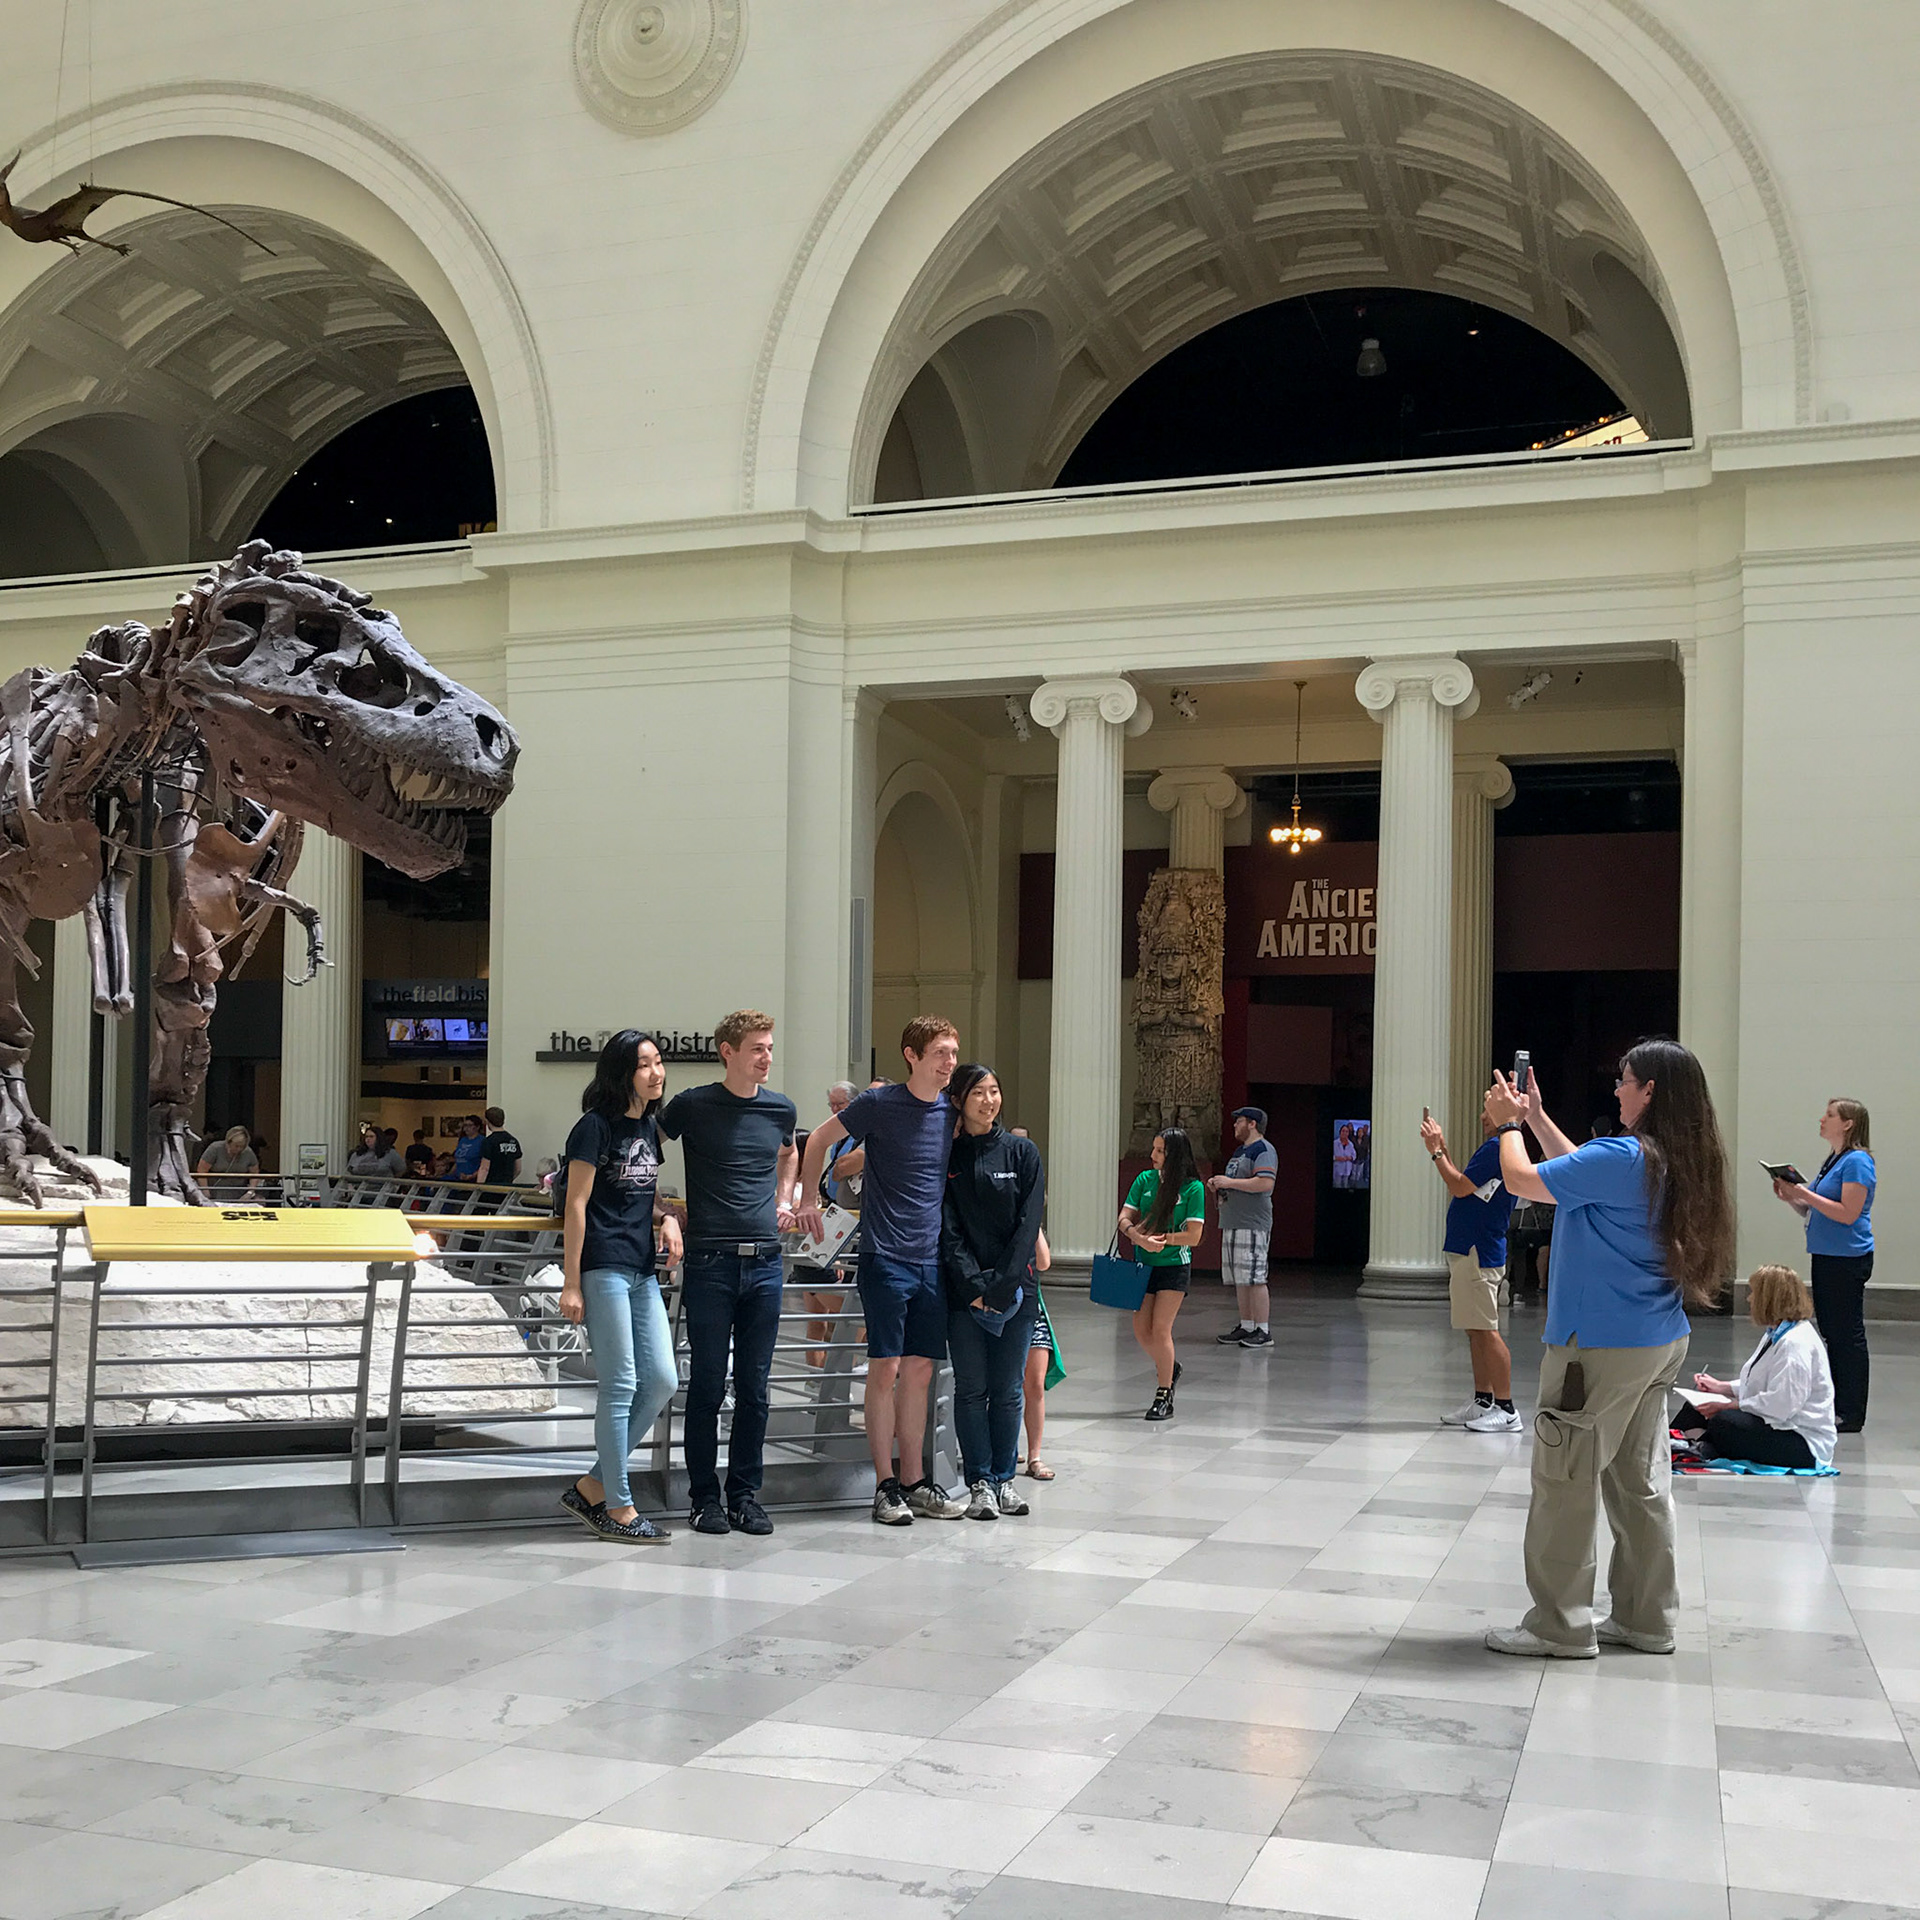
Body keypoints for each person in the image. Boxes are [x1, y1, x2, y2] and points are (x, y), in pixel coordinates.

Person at [1484, 1037, 1734, 1659]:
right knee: (1640, 1484)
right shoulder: (1667, 1158)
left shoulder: (1625, 1158)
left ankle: (1559, 1624)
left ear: (1650, 1091)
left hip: (1598, 1346)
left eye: (1625, 1080)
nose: (1617, 1089)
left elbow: (1523, 1180)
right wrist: (1539, 1117)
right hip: (1657, 1340)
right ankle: (1648, 1620)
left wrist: (1509, 1125)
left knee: (1565, 1480)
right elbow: (1579, 1179)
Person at [797, 1015, 969, 1525]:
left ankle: (915, 1481)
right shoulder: (879, 1102)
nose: (949, 1063)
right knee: (886, 1367)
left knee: (920, 1370)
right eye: (940, 1052)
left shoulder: (949, 1110)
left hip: (931, 1259)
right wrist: (809, 1199)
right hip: (885, 1255)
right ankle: (884, 1484)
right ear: (912, 1055)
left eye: (954, 1053)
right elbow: (817, 1141)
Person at [657, 1009, 798, 1539]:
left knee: (756, 1388)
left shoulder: (780, 1109)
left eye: (769, 1047)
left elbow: (791, 1153)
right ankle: (703, 1499)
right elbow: (641, 1153)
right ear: (728, 1051)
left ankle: (744, 1495)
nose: (766, 1057)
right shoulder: (693, 1105)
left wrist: (785, 1197)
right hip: (711, 1262)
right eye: (757, 1048)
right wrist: (667, 1210)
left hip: (764, 1262)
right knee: (708, 1385)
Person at [557, 1030, 681, 1545]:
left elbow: (634, 1194)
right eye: (644, 1065)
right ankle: (619, 1505)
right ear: (621, 1072)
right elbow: (577, 1203)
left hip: (640, 1268)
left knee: (662, 1381)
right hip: (602, 1267)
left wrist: (667, 1217)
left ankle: (592, 1484)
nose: (656, 1072)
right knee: (621, 1384)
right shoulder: (593, 1127)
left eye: (658, 1062)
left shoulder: (649, 1126)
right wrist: (571, 1282)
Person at [941, 1064, 1045, 1519]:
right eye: (979, 1093)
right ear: (960, 1099)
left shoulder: (1023, 1152)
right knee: (971, 1389)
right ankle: (979, 1481)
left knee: (1007, 1390)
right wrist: (975, 1286)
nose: (989, 1100)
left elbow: (1028, 1225)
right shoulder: (948, 1156)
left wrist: (1002, 1286)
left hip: (1017, 1291)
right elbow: (947, 1230)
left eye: (995, 1091)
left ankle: (1005, 1479)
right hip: (966, 1293)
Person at [1771, 1097, 1874, 1432]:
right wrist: (1791, 1197)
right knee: (1831, 1331)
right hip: (1828, 1254)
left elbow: (1847, 1213)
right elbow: (1815, 1209)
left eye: (1829, 1115)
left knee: (1846, 1334)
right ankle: (1835, 1403)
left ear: (1848, 1123)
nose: (1822, 1120)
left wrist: (1805, 1193)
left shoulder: (1857, 1161)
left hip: (1847, 1257)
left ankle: (1851, 1411)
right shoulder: (1835, 1159)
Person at [1675, 1263, 1836, 1468]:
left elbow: (1781, 1405)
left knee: (1724, 1421)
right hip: (1780, 1423)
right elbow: (1761, 1384)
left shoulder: (1795, 1344)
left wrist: (1729, 1404)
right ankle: (1681, 1443)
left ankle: (1696, 1444)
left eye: (1754, 1294)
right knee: (1695, 1407)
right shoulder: (1776, 1334)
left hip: (1801, 1440)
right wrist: (1722, 1387)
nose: (1749, 1299)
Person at [1421, 1098, 1520, 1432]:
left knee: (1486, 1329)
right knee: (1475, 1329)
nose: (1481, 1116)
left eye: (1488, 1110)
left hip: (1479, 1249)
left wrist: (1436, 1152)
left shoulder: (1497, 1147)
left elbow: (1459, 1187)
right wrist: (1444, 1149)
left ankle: (1506, 1408)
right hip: (1471, 1247)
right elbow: (1465, 1183)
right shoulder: (1496, 1147)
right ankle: (1483, 1400)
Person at [1121, 1127, 1206, 1422]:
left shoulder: (1192, 1188)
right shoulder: (1144, 1180)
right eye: (1154, 1149)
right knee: (1140, 1330)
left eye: (1160, 1151)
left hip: (1173, 1266)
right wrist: (1137, 1236)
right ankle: (1171, 1365)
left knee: (1160, 1329)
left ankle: (1163, 1393)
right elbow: (1124, 1218)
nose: (1153, 1155)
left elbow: (1194, 1236)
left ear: (1175, 1155)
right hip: (1143, 1263)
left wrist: (1163, 1239)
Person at [799, 1079, 864, 1368]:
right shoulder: (836, 1137)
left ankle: (839, 1378)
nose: (836, 1111)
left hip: (853, 1224)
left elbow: (844, 1168)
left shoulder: (866, 1134)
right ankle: (818, 1384)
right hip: (833, 1216)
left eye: (842, 1106)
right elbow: (836, 1170)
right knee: (810, 1290)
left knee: (852, 1309)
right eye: (833, 1105)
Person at [1210, 1105, 1278, 1348]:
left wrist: (1230, 1182)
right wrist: (1222, 1186)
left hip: (1252, 1223)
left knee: (1255, 1276)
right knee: (1242, 1277)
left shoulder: (1263, 1149)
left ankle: (1263, 1329)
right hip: (1234, 1221)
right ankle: (1247, 1325)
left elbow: (1264, 1183)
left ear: (1252, 1124)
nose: (1235, 1125)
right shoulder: (1241, 1151)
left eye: (1239, 1121)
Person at [1022, 1228, 1062, 1480]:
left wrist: (1033, 1223)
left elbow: (1044, 1262)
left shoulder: (1031, 1224)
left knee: (1035, 1385)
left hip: (1031, 1311)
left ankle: (1034, 1455)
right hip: (998, 1304)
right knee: (1004, 1386)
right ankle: (1002, 1446)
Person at [195, 1124, 259, 1199]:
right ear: (228, 1142)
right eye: (236, 1146)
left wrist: (250, 1192)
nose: (239, 1149)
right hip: (215, 1190)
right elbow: (202, 1170)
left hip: (239, 1192)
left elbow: (255, 1174)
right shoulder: (215, 1148)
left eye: (242, 1147)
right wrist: (206, 1192)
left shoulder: (248, 1152)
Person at [476, 1107, 523, 1187]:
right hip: (506, 1187)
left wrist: (478, 1186)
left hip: (491, 1187)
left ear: (487, 1121)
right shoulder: (513, 1141)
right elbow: (518, 1168)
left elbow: (484, 1168)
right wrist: (508, 1180)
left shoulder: (489, 1141)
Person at [451, 1114, 485, 1180]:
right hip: (458, 1177)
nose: (466, 1128)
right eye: (465, 1125)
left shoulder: (482, 1141)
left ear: (477, 1127)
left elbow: (484, 1163)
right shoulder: (462, 1140)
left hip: (472, 1177)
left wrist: (473, 1175)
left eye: (469, 1125)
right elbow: (457, 1160)